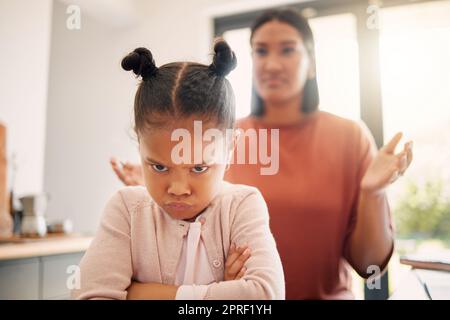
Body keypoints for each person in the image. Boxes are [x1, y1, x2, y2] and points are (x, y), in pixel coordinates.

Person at [110, 9, 413, 299]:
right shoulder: (213, 140)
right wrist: (153, 194)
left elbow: (369, 266)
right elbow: (189, 248)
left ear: (312, 63)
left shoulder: (349, 137)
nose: (271, 64)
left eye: (287, 50)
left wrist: (372, 192)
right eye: (261, 51)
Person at [73, 40, 285, 300]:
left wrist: (137, 293)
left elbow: (264, 296)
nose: (178, 189)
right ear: (140, 145)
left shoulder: (242, 205)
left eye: (198, 167)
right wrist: (221, 293)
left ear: (230, 148)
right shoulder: (126, 211)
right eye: (160, 166)